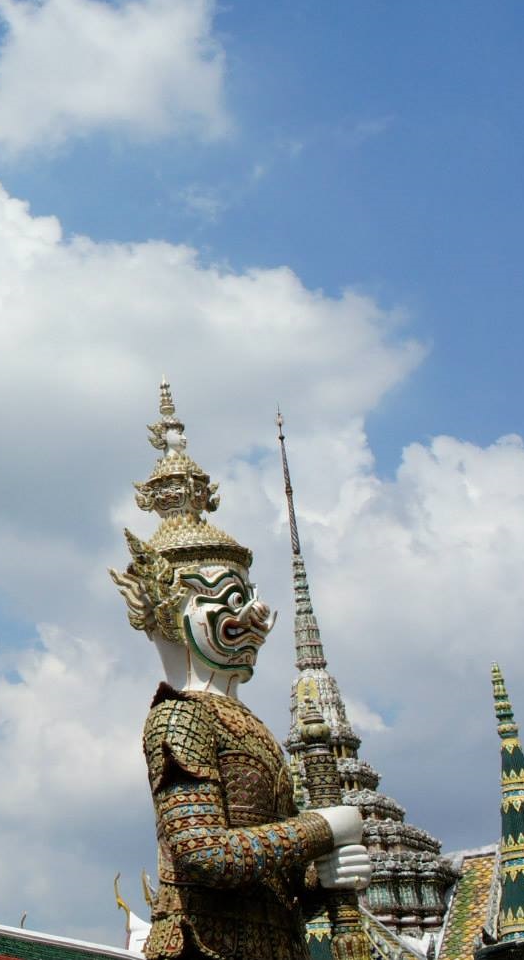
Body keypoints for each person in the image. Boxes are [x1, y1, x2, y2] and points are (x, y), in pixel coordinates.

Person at [111, 384, 371, 960]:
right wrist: (321, 829)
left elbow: (263, 880)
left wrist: (319, 880)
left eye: (249, 596)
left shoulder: (246, 725)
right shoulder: (178, 720)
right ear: (166, 611)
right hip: (206, 947)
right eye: (227, 599)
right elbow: (203, 853)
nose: (253, 615)